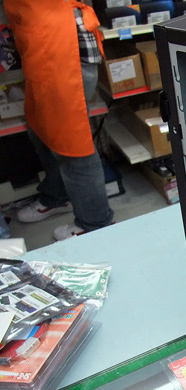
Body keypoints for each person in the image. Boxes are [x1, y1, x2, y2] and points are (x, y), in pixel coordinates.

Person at [5, 0, 114, 241]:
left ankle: (96, 223)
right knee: (40, 130)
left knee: (72, 143)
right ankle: (58, 195)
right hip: (40, 39)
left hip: (60, 45)